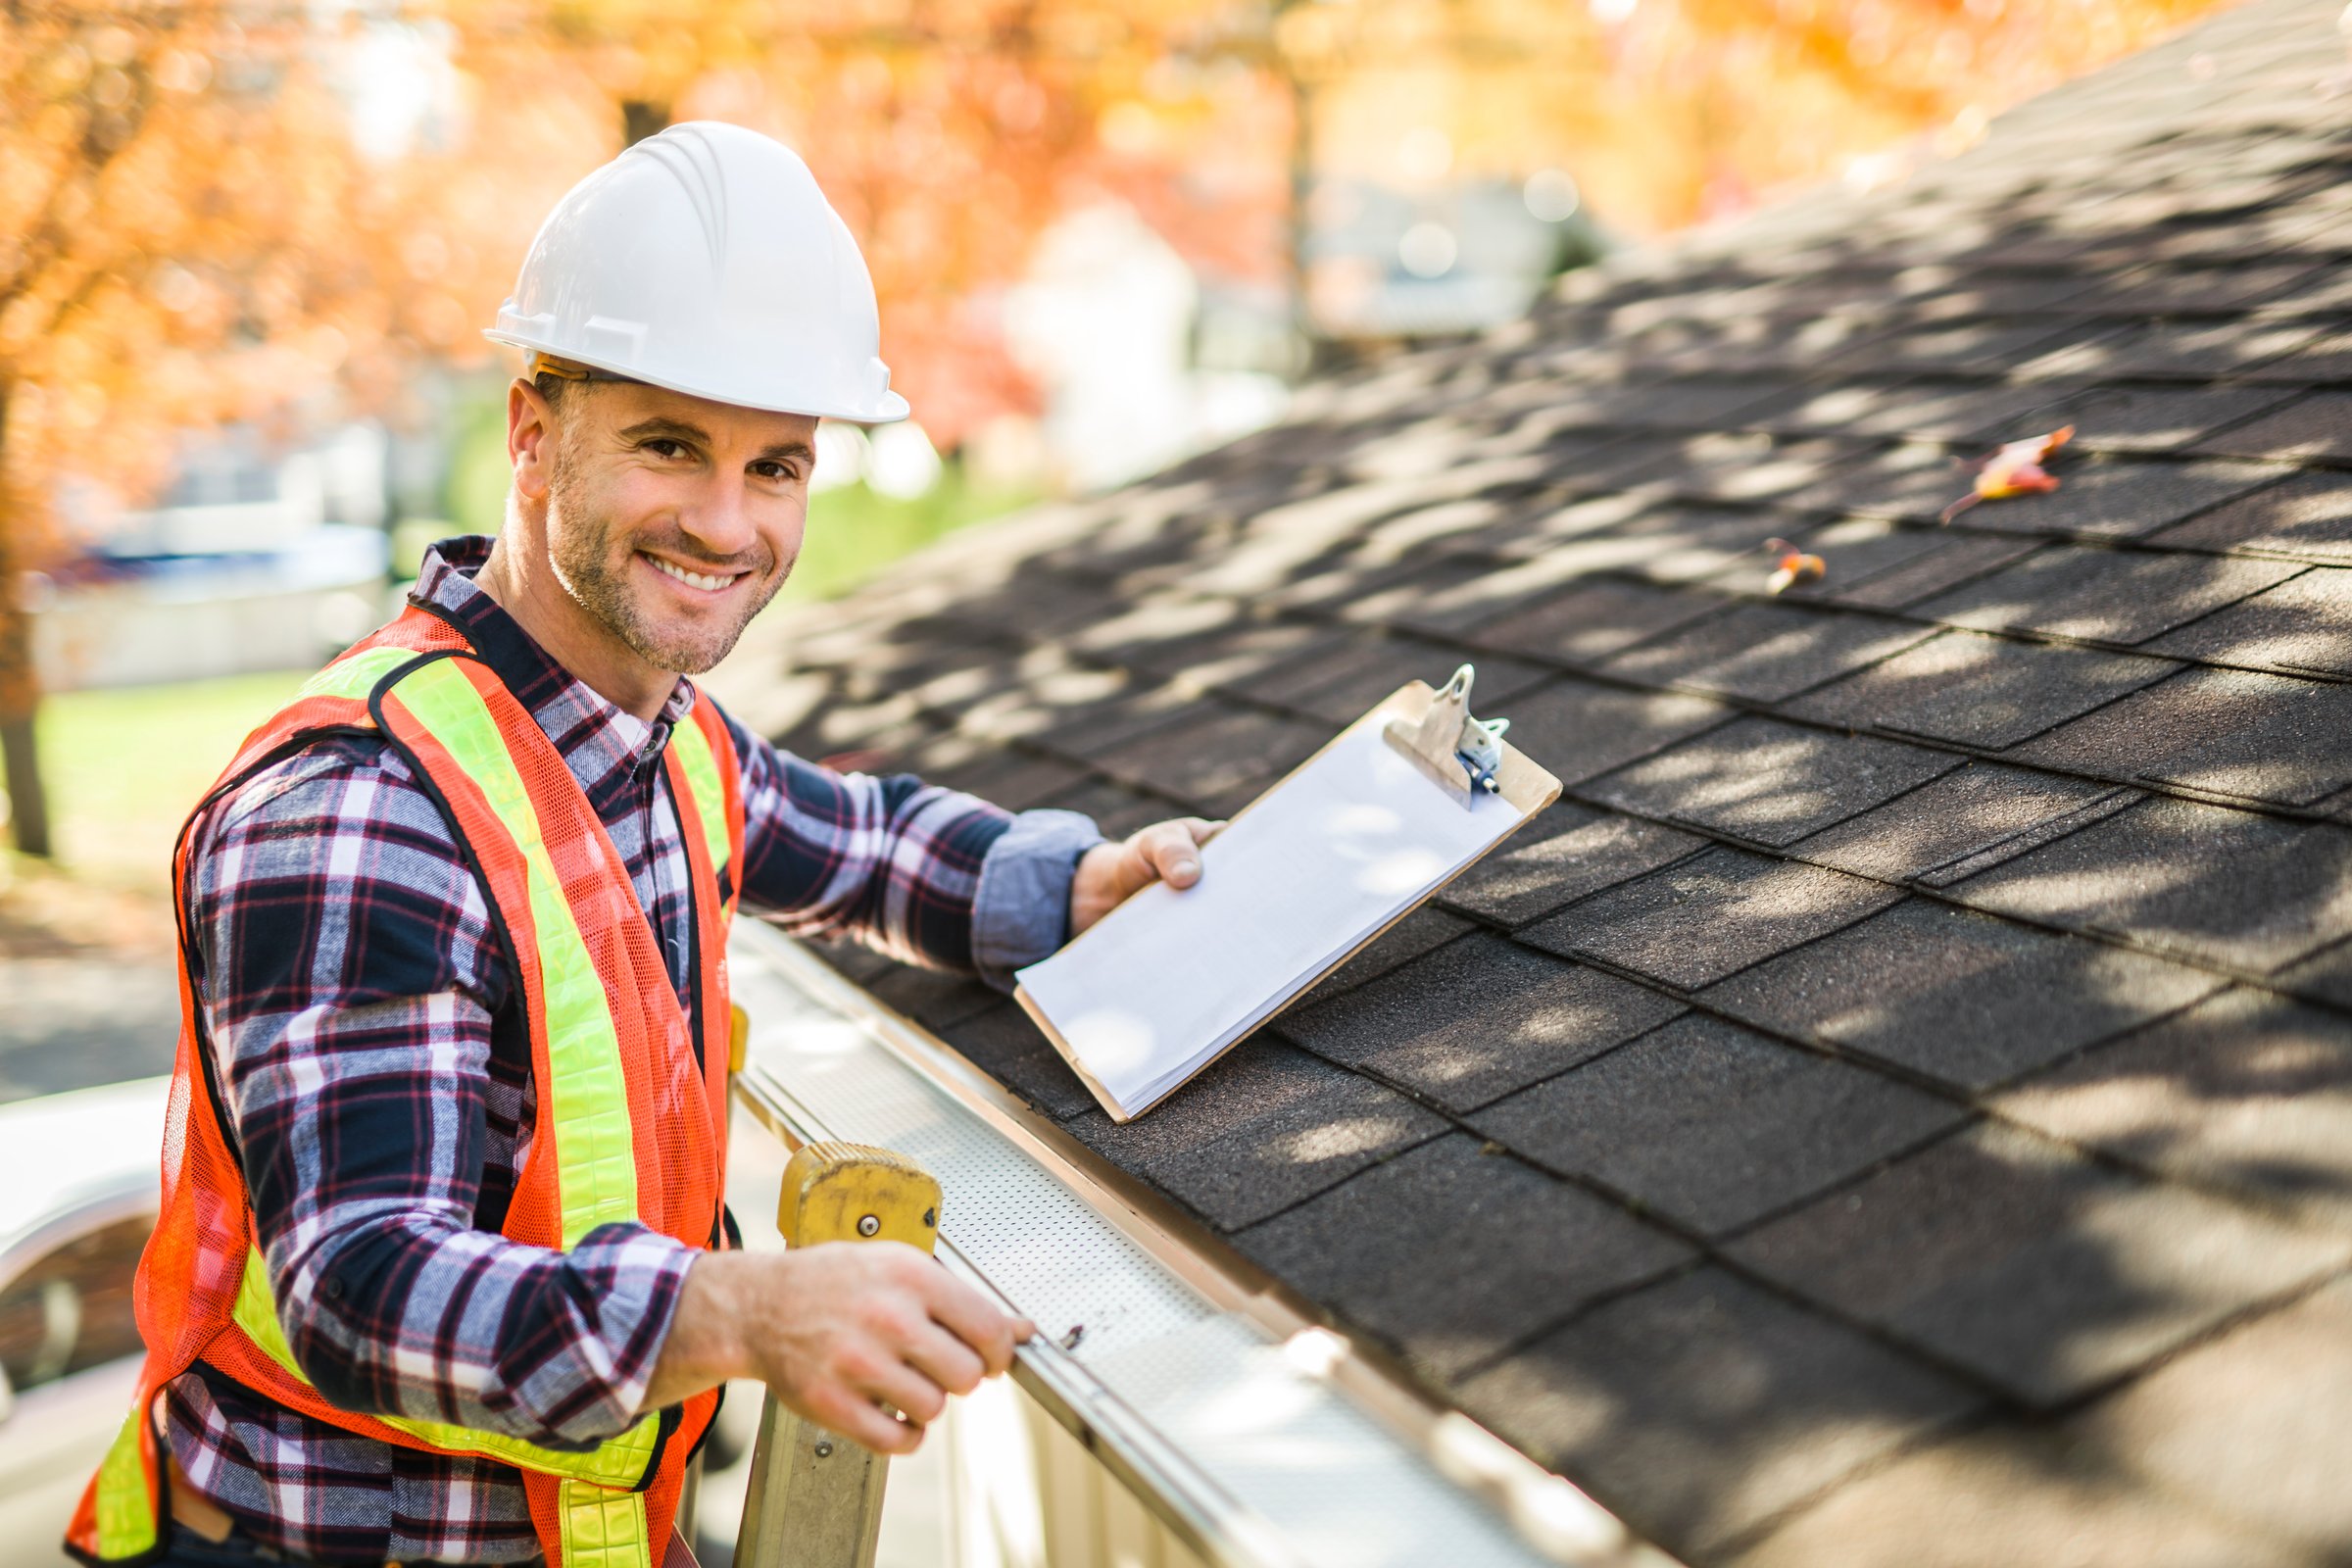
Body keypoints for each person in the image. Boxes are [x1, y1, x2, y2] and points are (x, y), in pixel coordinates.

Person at [69, 122, 1217, 1568]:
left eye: (779, 466)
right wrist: (740, 1312)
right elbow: (361, 1287)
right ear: (532, 430)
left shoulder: (662, 739)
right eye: (671, 446)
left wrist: (1064, 886)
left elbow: (854, 843)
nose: (728, 524)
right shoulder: (367, 811)